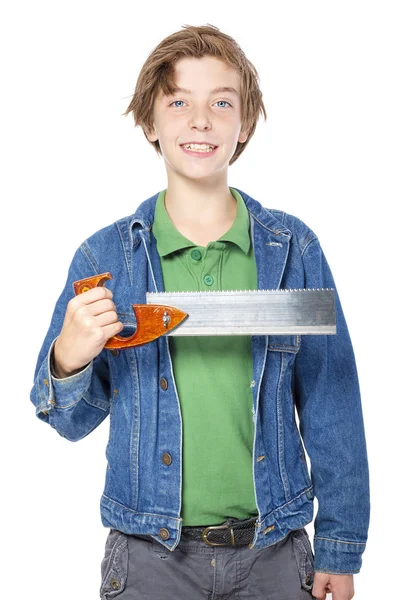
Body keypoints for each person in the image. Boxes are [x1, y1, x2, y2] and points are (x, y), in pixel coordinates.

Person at [30, 23, 370, 600]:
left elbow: (331, 402)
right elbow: (68, 422)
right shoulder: (105, 257)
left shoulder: (295, 250)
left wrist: (341, 544)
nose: (200, 120)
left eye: (221, 102)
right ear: (150, 122)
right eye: (178, 101)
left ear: (245, 125)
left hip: (275, 550)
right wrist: (68, 357)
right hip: (147, 557)